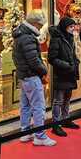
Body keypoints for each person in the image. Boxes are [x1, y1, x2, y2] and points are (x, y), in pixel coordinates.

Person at [13, 10, 56, 146]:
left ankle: (25, 132)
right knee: (38, 106)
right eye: (38, 25)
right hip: (31, 76)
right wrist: (44, 71)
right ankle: (40, 136)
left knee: (26, 105)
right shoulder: (28, 37)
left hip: (24, 75)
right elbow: (34, 60)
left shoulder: (21, 34)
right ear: (34, 24)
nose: (39, 28)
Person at [48, 16, 81, 138]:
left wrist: (75, 62)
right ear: (64, 27)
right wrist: (66, 65)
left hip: (70, 72)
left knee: (67, 98)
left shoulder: (70, 38)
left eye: (73, 26)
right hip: (61, 73)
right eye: (71, 27)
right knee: (58, 100)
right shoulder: (56, 39)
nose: (73, 29)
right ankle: (56, 124)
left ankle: (65, 119)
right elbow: (52, 58)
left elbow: (71, 53)